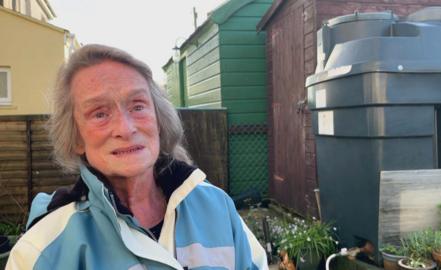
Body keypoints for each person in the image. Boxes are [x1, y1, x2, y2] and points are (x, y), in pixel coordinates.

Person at [6, 44, 267, 270]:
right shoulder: (43, 249)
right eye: (100, 113)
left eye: (138, 106)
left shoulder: (217, 207)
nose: (126, 128)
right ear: (75, 138)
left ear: (158, 119)